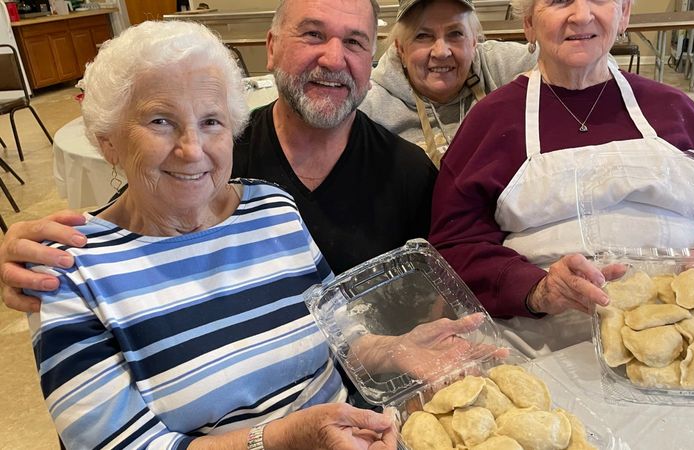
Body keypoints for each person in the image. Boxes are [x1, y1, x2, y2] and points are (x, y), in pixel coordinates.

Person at [25, 19, 491, 450]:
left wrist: (392, 347)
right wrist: (280, 439)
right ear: (108, 139)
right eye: (160, 121)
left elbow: (338, 332)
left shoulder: (270, 206)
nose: (192, 150)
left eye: (211, 121)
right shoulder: (69, 268)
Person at [0, 0, 437, 312]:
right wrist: (46, 255)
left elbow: (430, 299)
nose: (334, 57)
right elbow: (131, 236)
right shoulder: (209, 159)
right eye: (313, 34)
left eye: (356, 42)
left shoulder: (409, 173)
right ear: (271, 47)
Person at [427, 0, 694, 348]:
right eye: (559, 1)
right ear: (529, 24)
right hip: (546, 355)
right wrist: (536, 289)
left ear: (623, 14)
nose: (581, 15)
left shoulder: (674, 109)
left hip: (688, 339)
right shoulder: (491, 123)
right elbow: (455, 248)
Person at [359, 0, 535, 166]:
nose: (441, 52)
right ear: (401, 49)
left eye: (456, 34)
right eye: (422, 36)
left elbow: (558, 58)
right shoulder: (368, 109)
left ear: (474, 42)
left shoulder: (501, 66)